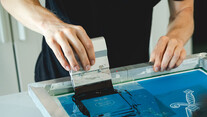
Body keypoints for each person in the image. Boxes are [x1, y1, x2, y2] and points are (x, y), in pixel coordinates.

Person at [0, 0, 194, 82]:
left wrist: (175, 38)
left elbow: (183, 9)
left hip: (130, 79)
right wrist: (50, 25)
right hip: (62, 79)